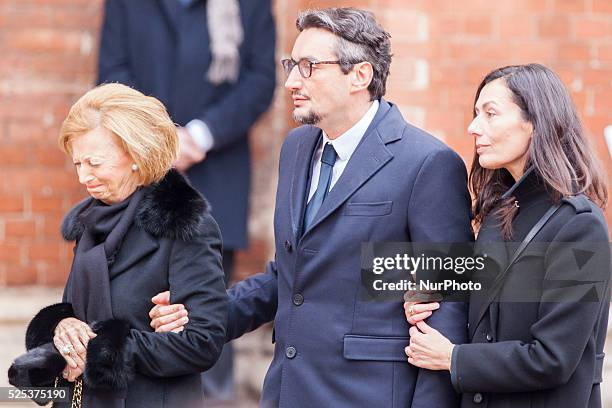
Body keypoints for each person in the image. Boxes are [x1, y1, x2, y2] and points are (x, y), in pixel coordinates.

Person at [151, 8, 473, 407]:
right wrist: (200, 311)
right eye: (291, 65)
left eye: (308, 67)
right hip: (288, 390)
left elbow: (448, 301)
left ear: (360, 75)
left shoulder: (427, 163)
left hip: (370, 396)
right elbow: (288, 278)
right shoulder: (297, 147)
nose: (290, 82)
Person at [97, 1, 276, 399]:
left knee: (206, 303)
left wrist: (200, 135)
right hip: (137, 166)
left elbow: (261, 79)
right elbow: (112, 72)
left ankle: (212, 399)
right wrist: (157, 137)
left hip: (216, 169)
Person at [8, 83, 228, 408]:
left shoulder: (184, 225)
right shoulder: (91, 221)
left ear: (135, 154)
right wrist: (62, 326)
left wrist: (100, 352)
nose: (84, 177)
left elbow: (202, 342)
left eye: (94, 163)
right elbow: (78, 310)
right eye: (78, 164)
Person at [403, 64, 610, 408]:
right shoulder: (499, 214)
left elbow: (554, 357)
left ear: (534, 123)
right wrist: (426, 293)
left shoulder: (580, 226)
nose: (473, 128)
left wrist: (453, 358)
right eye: (474, 114)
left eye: (490, 114)